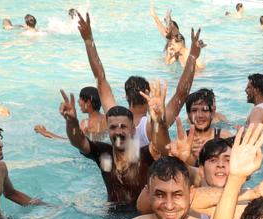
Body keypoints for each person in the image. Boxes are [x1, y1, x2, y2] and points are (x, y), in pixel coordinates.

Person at [77, 12, 200, 147]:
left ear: (126, 96)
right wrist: (192, 57)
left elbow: (100, 79)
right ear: (148, 94)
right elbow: (181, 94)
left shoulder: (114, 120)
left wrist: (88, 40)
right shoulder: (152, 125)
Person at [59, 79, 170, 208]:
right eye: (113, 128)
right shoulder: (103, 153)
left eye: (123, 127)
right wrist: (72, 121)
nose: (118, 132)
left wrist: (159, 121)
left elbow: (163, 148)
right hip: (111, 217)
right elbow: (79, 142)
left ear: (133, 129)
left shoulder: (146, 155)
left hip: (140, 217)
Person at [35, 86, 107, 141]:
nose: (78, 102)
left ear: (88, 102)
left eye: (80, 99)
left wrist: (45, 133)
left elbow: (70, 141)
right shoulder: (107, 118)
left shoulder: (86, 124)